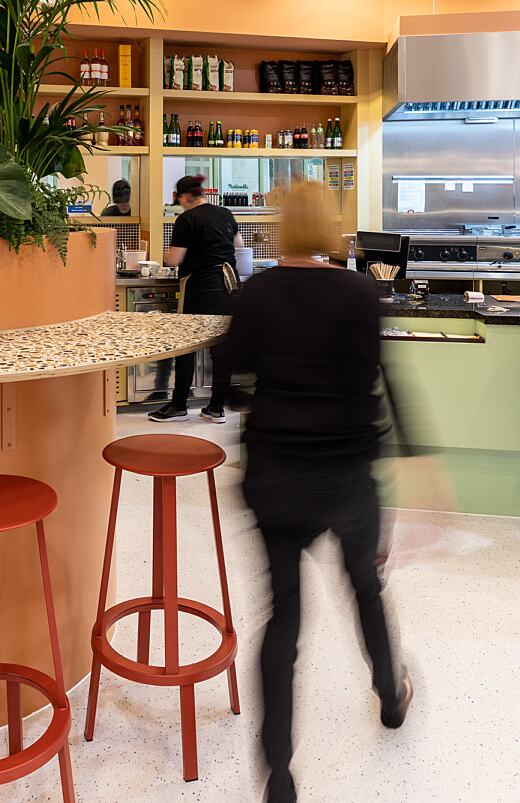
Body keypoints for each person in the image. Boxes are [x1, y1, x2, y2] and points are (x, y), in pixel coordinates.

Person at [215, 181, 412, 803]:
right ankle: (390, 696)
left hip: (277, 478)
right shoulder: (358, 292)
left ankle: (279, 774)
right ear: (329, 227)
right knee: (366, 590)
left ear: (283, 227)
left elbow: (227, 383)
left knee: (283, 618)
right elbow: (381, 384)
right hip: (348, 477)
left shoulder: (257, 293)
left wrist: (263, 402)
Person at [148, 174, 243, 423]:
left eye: (179, 199)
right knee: (221, 350)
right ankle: (216, 408)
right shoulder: (225, 213)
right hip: (228, 286)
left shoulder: (186, 219)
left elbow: (175, 259)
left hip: (199, 288)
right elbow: (239, 244)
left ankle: (179, 405)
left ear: (184, 197)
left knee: (186, 347)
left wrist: (166, 255)